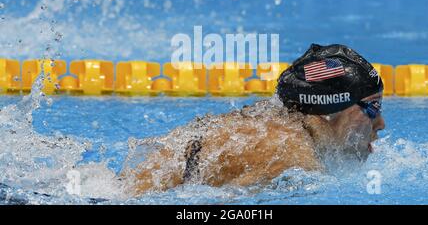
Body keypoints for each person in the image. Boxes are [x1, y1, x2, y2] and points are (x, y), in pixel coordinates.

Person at [120, 44, 386, 195]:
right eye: (373, 108)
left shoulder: (276, 124)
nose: (380, 124)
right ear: (330, 111)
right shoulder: (290, 156)